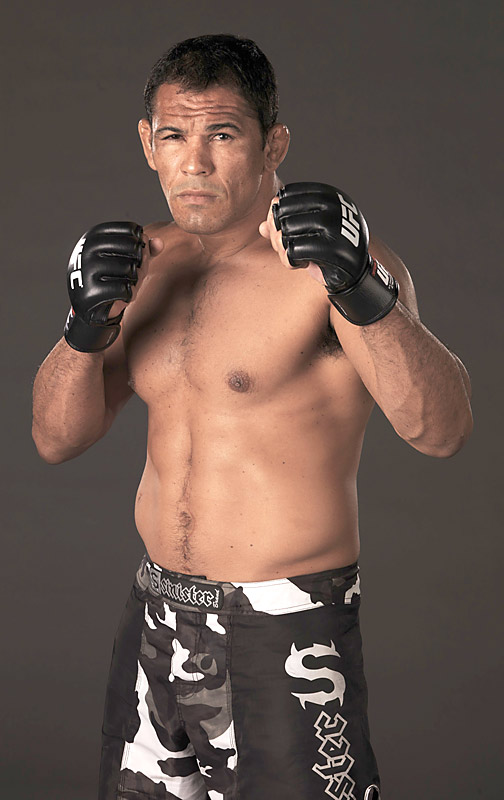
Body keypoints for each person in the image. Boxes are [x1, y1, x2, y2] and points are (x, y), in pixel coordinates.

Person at [32, 33, 473, 800]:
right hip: (156, 618)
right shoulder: (139, 265)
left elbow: (441, 431)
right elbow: (54, 440)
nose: (195, 163)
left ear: (274, 145)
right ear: (148, 144)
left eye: (223, 135)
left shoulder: (332, 268)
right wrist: (82, 328)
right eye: (175, 136)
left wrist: (361, 288)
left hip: (285, 632)